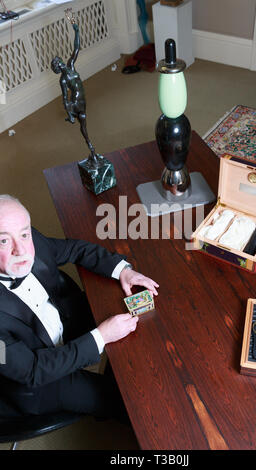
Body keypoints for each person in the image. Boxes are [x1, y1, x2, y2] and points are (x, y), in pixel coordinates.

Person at [0, 195, 159, 419]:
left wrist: (123, 270)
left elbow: (75, 249)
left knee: (145, 334)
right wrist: (100, 337)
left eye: (24, 234)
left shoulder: (31, 240)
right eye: (3, 241)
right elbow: (31, 370)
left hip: (63, 322)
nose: (21, 249)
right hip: (37, 381)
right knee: (130, 403)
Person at [51, 22, 96, 160]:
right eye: (58, 63)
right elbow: (65, 99)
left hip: (83, 100)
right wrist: (69, 113)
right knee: (83, 124)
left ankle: (91, 147)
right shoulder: (63, 80)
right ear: (58, 69)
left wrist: (77, 32)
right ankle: (90, 145)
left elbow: (76, 49)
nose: (61, 62)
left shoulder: (71, 65)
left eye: (59, 60)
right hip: (76, 103)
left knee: (84, 124)